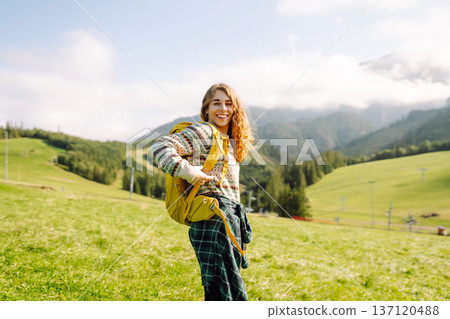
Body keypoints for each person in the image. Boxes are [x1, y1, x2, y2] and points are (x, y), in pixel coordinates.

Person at [150, 83, 254, 301]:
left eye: (228, 103)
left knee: (222, 293)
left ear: (235, 109)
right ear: (206, 109)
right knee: (224, 294)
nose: (223, 108)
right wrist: (187, 171)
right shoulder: (205, 131)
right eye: (216, 103)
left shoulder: (228, 142)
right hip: (212, 220)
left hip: (228, 220)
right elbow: (160, 146)